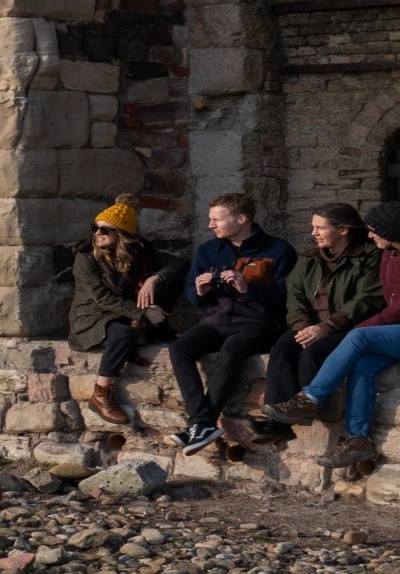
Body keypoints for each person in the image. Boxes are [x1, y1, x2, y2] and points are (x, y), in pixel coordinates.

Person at [264, 197, 400, 469]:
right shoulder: (391, 252)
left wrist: (360, 328)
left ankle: (311, 398)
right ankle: (358, 440)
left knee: (358, 337)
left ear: (394, 232)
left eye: (374, 230)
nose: (369, 234)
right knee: (362, 366)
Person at [166, 192, 295, 453]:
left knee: (232, 349)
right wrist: (200, 291)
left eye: (216, 219)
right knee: (180, 348)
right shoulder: (207, 250)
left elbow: (286, 299)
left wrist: (247, 288)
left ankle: (200, 425)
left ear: (242, 219)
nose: (210, 225)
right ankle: (201, 422)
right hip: (216, 321)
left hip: (259, 324)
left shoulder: (279, 250)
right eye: (210, 219)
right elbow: (192, 295)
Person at [243, 202, 383, 444]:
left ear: (343, 230)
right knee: (282, 350)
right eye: (312, 227)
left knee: (313, 353)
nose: (313, 233)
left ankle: (317, 407)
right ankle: (277, 424)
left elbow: (366, 300)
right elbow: (294, 294)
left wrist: (326, 327)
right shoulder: (308, 259)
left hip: (349, 327)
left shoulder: (370, 257)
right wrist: (302, 326)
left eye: (320, 228)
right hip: (310, 324)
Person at [68, 194, 181, 425]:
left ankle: (145, 325)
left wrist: (153, 279)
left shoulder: (139, 252)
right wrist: (143, 312)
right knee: (123, 333)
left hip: (124, 311)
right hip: (92, 316)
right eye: (95, 228)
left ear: (123, 235)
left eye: (105, 230)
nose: (97, 234)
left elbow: (180, 264)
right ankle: (101, 394)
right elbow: (100, 297)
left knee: (170, 281)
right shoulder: (86, 257)